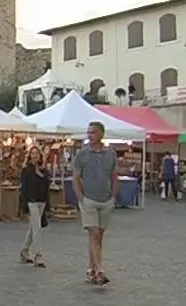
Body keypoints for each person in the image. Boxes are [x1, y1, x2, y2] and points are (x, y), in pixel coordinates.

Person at [73, 121, 117, 285]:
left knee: (99, 238)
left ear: (101, 134)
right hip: (89, 200)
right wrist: (81, 199)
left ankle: (91, 269)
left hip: (105, 200)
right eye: (88, 132)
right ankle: (99, 270)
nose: (89, 135)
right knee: (94, 234)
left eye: (93, 132)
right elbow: (76, 177)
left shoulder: (110, 154)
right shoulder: (82, 154)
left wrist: (113, 197)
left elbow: (114, 177)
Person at [20, 146, 50, 268]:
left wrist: (40, 174)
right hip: (31, 201)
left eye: (37, 153)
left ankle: (24, 251)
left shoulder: (44, 169)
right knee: (37, 228)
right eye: (33, 153)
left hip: (41, 200)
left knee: (33, 228)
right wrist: (24, 206)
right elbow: (24, 188)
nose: (35, 155)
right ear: (30, 155)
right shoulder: (26, 170)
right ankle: (38, 255)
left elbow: (48, 183)